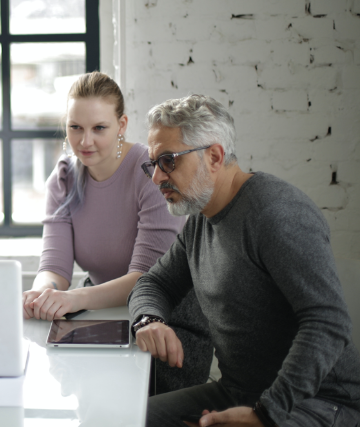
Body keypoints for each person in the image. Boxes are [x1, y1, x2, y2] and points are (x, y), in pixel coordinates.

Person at [129, 94, 360, 427]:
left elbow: (329, 321)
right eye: (152, 164)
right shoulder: (201, 218)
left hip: (318, 402)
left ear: (214, 156)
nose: (156, 178)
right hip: (239, 392)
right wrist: (148, 320)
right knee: (127, 417)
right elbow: (155, 283)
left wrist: (265, 413)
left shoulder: (276, 214)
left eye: (168, 161)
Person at [22, 72, 212, 393]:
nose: (85, 141)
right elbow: (55, 268)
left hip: (164, 321)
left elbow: (145, 280)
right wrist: (44, 295)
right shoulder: (65, 177)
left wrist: (68, 300)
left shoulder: (149, 173)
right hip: (102, 316)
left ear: (121, 125)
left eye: (99, 128)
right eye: (75, 128)